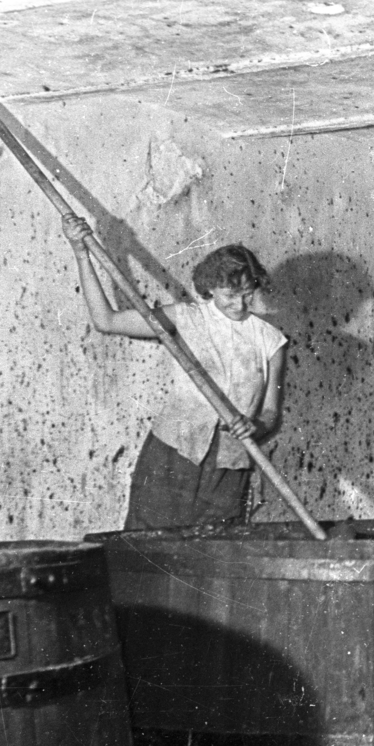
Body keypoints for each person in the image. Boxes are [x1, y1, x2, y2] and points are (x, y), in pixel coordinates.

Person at [62, 214, 287, 529]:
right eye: (229, 296)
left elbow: (271, 413)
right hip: (172, 455)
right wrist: (81, 253)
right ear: (210, 289)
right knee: (148, 549)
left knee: (213, 560)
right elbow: (107, 321)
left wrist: (255, 426)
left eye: (247, 293)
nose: (239, 304)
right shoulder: (187, 318)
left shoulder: (271, 341)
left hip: (228, 468)